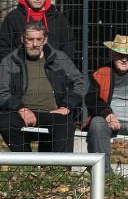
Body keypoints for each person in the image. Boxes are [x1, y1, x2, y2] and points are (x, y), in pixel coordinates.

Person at [0, 22, 85, 153]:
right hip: (21, 113)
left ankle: (59, 169)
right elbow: (2, 92)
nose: (35, 44)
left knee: (66, 123)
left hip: (53, 113)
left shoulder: (59, 58)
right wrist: (21, 109)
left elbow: (80, 83)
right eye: (30, 39)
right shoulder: (10, 61)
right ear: (23, 39)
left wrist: (66, 106)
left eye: (39, 39)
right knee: (5, 122)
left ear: (45, 40)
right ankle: (26, 163)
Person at [85, 35, 128, 173]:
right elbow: (91, 99)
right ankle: (103, 175)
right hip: (112, 123)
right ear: (113, 54)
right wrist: (107, 114)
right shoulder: (101, 73)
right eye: (120, 54)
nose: (124, 59)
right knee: (97, 123)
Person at [0, 0, 74, 60]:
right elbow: (3, 45)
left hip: (54, 68)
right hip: (20, 68)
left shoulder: (58, 18)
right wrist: (12, 67)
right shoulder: (13, 17)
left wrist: (62, 66)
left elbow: (68, 45)